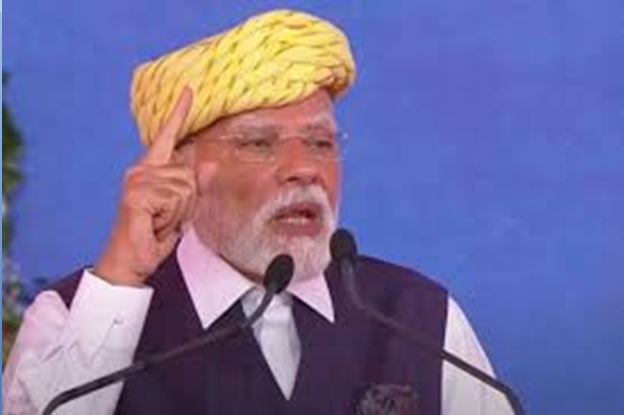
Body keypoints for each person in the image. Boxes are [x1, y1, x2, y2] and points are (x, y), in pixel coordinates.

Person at [2, 9, 514, 415]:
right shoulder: (69, 315)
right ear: (181, 170)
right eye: (259, 144)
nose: (304, 169)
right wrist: (120, 278)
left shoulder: (419, 317)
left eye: (320, 142)